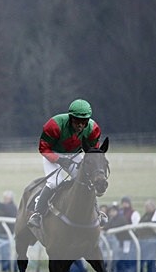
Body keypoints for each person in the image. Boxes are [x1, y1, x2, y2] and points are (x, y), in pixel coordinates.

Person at [28, 98, 102, 229]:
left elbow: (92, 151)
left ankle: (97, 211)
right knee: (55, 182)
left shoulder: (93, 128)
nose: (80, 125)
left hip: (74, 154)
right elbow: (43, 149)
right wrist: (59, 160)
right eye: (77, 121)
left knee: (86, 179)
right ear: (70, 117)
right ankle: (37, 213)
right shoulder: (54, 125)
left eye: (83, 122)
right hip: (52, 153)